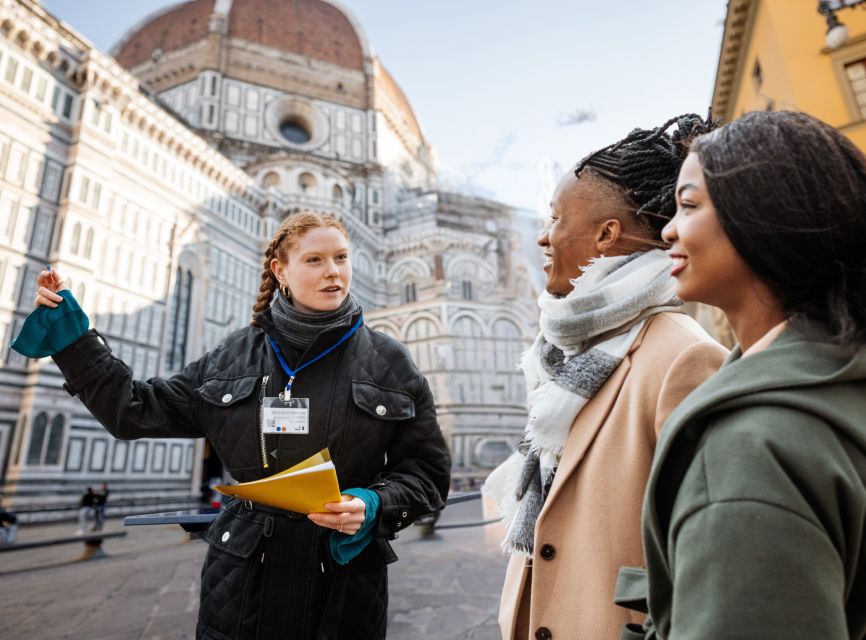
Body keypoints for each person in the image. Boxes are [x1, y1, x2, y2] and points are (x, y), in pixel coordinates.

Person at [23, 212, 451, 640]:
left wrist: (373, 505)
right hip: (243, 580)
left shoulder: (388, 361)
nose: (333, 271)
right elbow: (133, 409)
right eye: (315, 260)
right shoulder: (235, 354)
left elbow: (427, 474)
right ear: (281, 270)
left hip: (344, 580)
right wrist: (74, 341)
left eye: (341, 257)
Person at [613, 110, 866, 639]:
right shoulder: (839, 377)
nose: (667, 230)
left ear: (764, 214)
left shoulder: (749, 446)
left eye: (688, 205)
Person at [483, 115, 729, 640]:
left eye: (555, 220)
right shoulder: (560, 352)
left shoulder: (684, 357)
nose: (544, 238)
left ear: (607, 234)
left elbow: (708, 559)